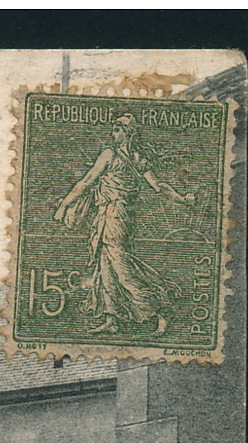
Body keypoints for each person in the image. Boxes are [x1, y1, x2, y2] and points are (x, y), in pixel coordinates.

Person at [54, 113, 196, 335]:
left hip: (116, 215)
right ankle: (112, 319)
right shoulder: (135, 158)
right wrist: (182, 198)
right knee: (105, 266)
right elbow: (158, 186)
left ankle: (161, 311)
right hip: (107, 215)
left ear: (128, 133)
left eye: (118, 129)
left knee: (122, 268)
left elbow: (87, 181)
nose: (114, 133)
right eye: (114, 129)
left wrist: (64, 205)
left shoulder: (112, 155)